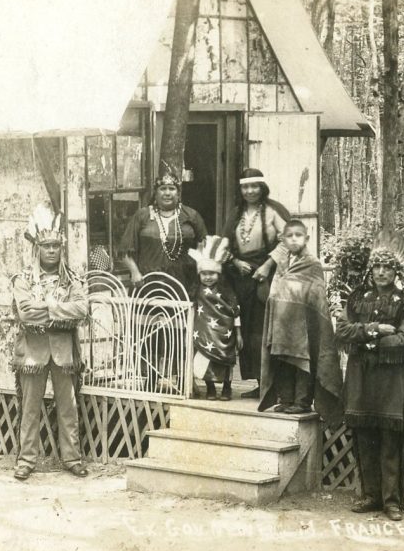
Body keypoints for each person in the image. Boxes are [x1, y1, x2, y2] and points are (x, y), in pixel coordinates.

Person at [333, 231, 404, 521]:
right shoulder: (357, 298)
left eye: (387, 267)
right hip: (361, 378)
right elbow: (342, 329)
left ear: (396, 271)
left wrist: (369, 342)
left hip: (391, 381)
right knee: (364, 436)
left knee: (390, 440)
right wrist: (374, 330)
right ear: (371, 269)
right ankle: (370, 495)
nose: (381, 272)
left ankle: (392, 501)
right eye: (377, 266)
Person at [12, 204, 89, 481]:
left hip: (63, 353)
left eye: (56, 246)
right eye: (46, 247)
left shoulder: (72, 280)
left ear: (61, 249)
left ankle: (72, 458)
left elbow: (81, 309)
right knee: (30, 409)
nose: (52, 251)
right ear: (38, 249)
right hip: (33, 354)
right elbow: (24, 312)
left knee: (68, 408)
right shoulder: (23, 279)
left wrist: (47, 307)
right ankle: (26, 461)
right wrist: (58, 311)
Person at [257, 220, 343, 421]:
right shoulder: (282, 263)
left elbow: (316, 295)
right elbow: (276, 290)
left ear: (307, 238)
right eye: (289, 235)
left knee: (302, 362)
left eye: (298, 235)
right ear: (283, 240)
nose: (294, 239)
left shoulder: (312, 264)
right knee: (283, 359)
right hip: (282, 322)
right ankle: (286, 399)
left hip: (303, 324)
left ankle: (302, 402)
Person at [221, 169, 293, 399]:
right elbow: (224, 245)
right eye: (245, 187)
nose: (250, 191)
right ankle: (259, 382)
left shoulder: (273, 210)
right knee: (249, 330)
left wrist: (268, 265)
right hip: (241, 277)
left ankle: (274, 384)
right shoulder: (236, 214)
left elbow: (289, 240)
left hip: (267, 277)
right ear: (240, 190)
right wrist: (235, 261)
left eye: (254, 186)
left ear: (262, 188)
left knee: (266, 329)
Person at [119, 172, 208, 293]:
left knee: (181, 312)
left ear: (178, 193)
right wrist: (134, 272)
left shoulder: (192, 216)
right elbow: (124, 251)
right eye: (162, 189)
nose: (167, 193)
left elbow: (205, 247)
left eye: (172, 189)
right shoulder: (142, 216)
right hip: (147, 283)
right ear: (155, 193)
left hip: (183, 284)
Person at [188, 236, 242, 401]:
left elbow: (235, 311)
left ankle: (227, 388)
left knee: (225, 361)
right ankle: (210, 388)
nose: (208, 277)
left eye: (211, 273)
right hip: (205, 332)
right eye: (204, 274)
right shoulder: (196, 291)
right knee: (206, 360)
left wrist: (239, 333)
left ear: (218, 274)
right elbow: (191, 309)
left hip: (224, 332)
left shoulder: (226, 291)